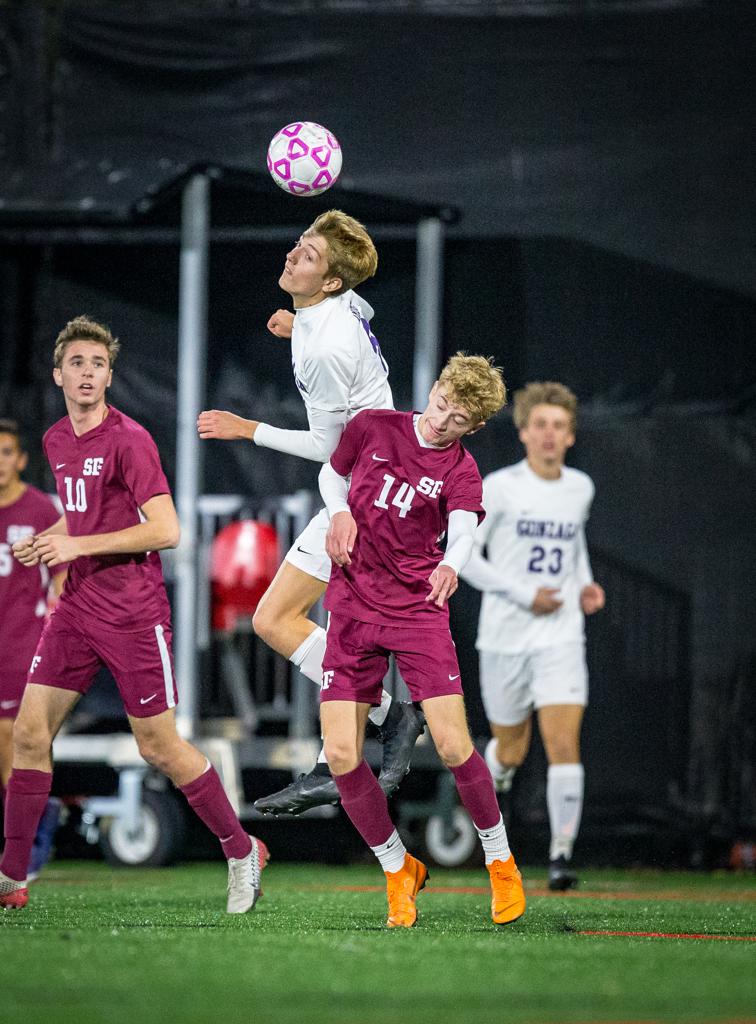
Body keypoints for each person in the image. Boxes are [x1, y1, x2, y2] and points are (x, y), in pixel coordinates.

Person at [0, 316, 268, 912]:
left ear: (110, 376)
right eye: (77, 363)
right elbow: (85, 518)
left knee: (158, 746)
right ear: (58, 374)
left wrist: (74, 546)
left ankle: (239, 846)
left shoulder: (130, 439)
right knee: (30, 732)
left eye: (98, 364)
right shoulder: (54, 440)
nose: (87, 372)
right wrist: (51, 539)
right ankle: (11, 877)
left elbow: (167, 530)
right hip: (76, 607)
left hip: (132, 611)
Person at [197, 210, 425, 816]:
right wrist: (294, 324)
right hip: (369, 485)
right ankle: (386, 720)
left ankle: (354, 752)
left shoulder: (323, 347)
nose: (294, 255)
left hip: (360, 495)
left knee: (288, 622)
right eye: (299, 243)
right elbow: (363, 312)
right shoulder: (338, 310)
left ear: (330, 283)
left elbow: (327, 449)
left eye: (310, 256)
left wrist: (249, 429)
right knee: (281, 621)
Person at [317, 353, 525, 928]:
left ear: (475, 427)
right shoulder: (373, 426)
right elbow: (331, 473)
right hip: (354, 605)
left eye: (458, 419)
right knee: (340, 754)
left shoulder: (461, 472)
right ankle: (396, 868)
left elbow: (463, 530)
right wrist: (338, 512)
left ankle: (501, 864)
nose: (441, 422)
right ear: (431, 389)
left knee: (455, 746)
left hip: (418, 611)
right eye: (440, 405)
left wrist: (452, 564)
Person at [461, 381, 605, 891]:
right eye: (540, 425)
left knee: (563, 742)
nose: (549, 435)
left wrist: (584, 584)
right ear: (523, 431)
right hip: (504, 637)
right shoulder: (498, 487)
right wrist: (525, 594)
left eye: (559, 426)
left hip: (561, 635)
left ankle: (561, 857)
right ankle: (493, 773)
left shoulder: (580, 488)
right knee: (512, 748)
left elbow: (574, 542)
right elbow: (464, 558)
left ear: (570, 436)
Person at [0, 419, 66, 880]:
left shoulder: (41, 509)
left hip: (23, 642)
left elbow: (62, 566)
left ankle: (31, 841)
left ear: (21, 460)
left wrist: (56, 613)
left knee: (17, 741)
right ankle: (40, 820)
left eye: (6, 452)